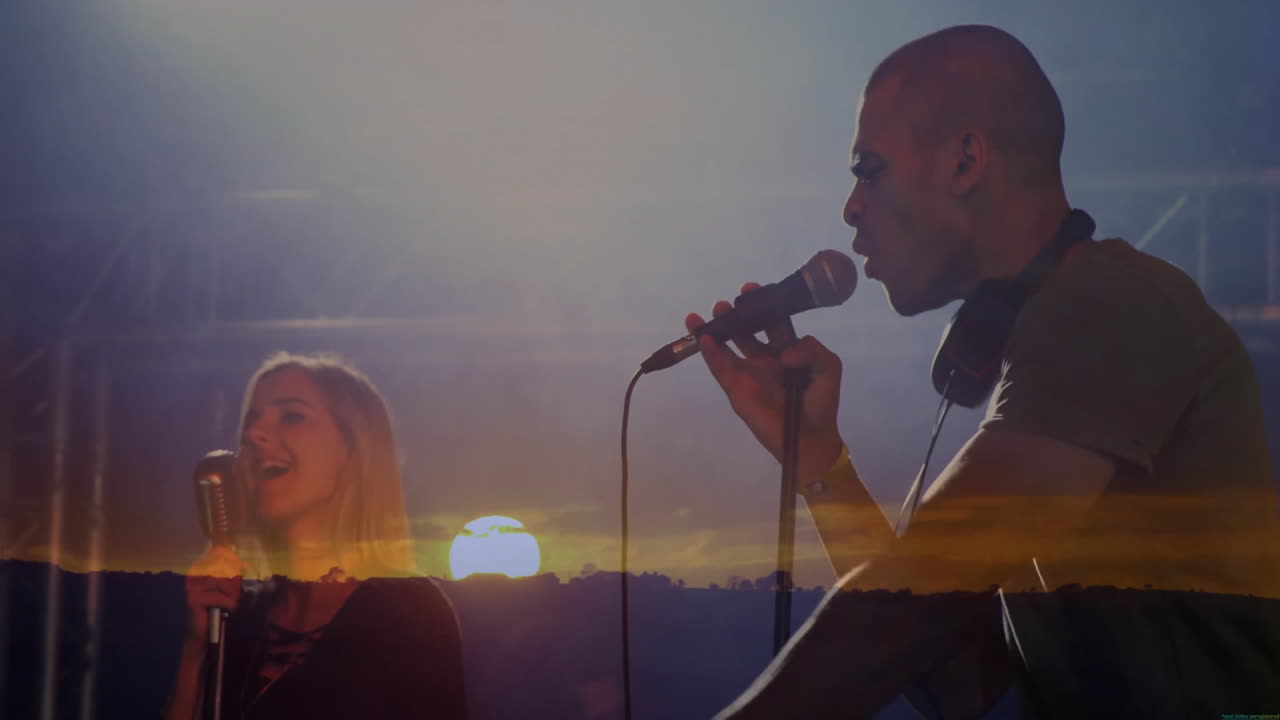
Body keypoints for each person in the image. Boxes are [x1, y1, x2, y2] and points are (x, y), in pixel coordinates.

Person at [688, 25, 1280, 719]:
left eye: (869, 170)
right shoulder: (1046, 343)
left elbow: (907, 612)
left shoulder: (1113, 307)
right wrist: (823, 461)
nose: (851, 207)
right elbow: (954, 682)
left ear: (966, 160)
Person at [164, 352, 469, 719]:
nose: (253, 434)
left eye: (291, 416)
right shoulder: (238, 618)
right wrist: (196, 647)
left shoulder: (408, 613)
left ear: (352, 449)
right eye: (251, 423)